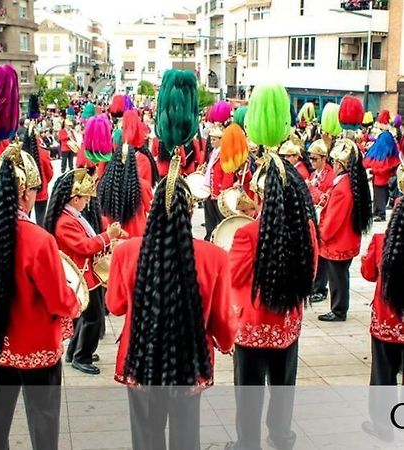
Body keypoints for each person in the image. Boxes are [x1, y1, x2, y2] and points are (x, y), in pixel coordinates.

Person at [0, 143, 80, 450]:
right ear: (24, 193)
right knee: (43, 422)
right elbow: (59, 300)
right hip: (36, 343)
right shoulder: (38, 240)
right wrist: (75, 302)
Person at [106, 156, 235, 450]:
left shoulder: (126, 252)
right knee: (186, 437)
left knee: (145, 436)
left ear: (152, 210)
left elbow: (114, 306)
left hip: (141, 358)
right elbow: (222, 320)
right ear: (190, 212)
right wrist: (226, 343)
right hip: (189, 360)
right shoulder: (213, 256)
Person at [227, 153, 318, 450]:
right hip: (287, 325)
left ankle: (248, 443)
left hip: (252, 327)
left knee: (249, 393)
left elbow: (235, 277)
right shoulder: (306, 228)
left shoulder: (247, 233)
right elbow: (311, 272)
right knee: (283, 390)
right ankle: (281, 438)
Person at [45, 168, 124, 375]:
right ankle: (82, 356)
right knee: (93, 319)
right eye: (85, 198)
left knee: (85, 318)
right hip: (82, 277)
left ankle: (75, 351)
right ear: (75, 198)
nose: (88, 202)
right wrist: (108, 236)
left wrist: (109, 235)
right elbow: (85, 246)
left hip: (88, 274)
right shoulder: (65, 222)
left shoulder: (72, 216)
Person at [360, 165, 404, 442]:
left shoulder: (381, 242)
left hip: (386, 323)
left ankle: (383, 426)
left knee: (383, 377)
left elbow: (367, 273)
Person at [318, 138, 372, 322]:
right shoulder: (349, 183)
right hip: (346, 239)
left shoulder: (342, 187)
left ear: (340, 164)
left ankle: (339, 309)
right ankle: (339, 307)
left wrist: (321, 234)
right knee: (340, 275)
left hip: (337, 242)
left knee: (337, 278)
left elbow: (334, 219)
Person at [99, 145, 153, 238]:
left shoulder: (104, 184)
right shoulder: (143, 185)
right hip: (136, 237)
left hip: (113, 236)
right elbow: (151, 209)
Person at [306, 139, 335, 304]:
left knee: (322, 255)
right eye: (310, 158)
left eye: (315, 159)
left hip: (323, 218)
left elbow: (326, 198)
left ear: (324, 158)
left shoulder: (330, 176)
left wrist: (311, 189)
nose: (312, 162)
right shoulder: (313, 174)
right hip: (313, 216)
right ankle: (314, 284)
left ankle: (320, 288)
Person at [203, 125, 234, 240]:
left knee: (220, 217)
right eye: (211, 139)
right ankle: (209, 235)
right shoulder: (213, 153)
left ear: (221, 140)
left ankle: (221, 237)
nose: (211, 142)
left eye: (214, 139)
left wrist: (223, 191)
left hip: (219, 190)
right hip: (210, 189)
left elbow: (228, 173)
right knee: (209, 216)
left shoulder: (226, 154)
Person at [22, 124, 54, 225]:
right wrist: (44, 182)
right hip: (42, 190)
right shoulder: (44, 153)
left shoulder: (21, 154)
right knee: (41, 220)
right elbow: (50, 173)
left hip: (26, 193)